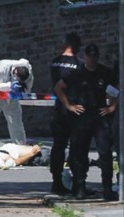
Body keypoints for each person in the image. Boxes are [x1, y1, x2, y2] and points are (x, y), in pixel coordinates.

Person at [54, 43, 118, 201]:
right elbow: (59, 87)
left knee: (105, 152)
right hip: (82, 117)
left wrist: (112, 107)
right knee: (79, 151)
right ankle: (80, 185)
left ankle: (107, 188)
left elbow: (118, 89)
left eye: (95, 56)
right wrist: (69, 105)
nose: (93, 59)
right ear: (86, 56)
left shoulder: (104, 72)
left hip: (99, 115)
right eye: (90, 56)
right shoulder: (78, 72)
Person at [49, 32, 83, 195]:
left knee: (59, 146)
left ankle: (56, 182)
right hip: (74, 108)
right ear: (75, 45)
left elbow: (55, 84)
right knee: (76, 147)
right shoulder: (79, 64)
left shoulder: (55, 62)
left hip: (59, 109)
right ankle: (78, 184)